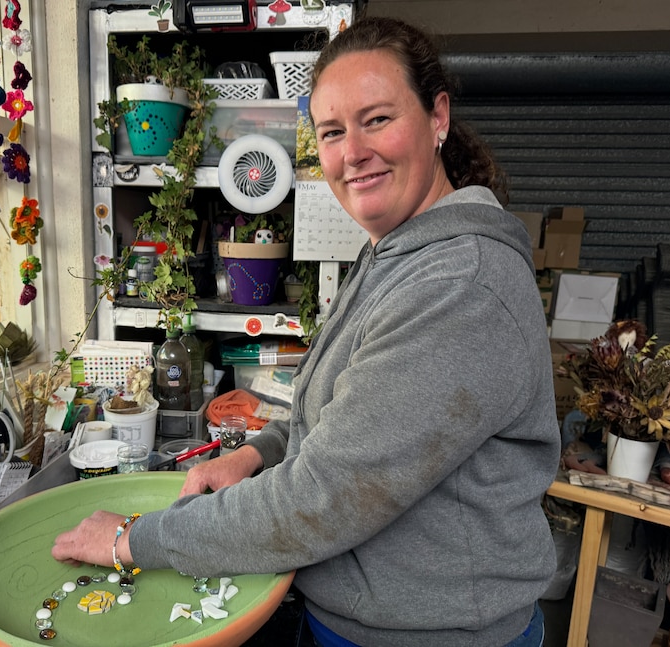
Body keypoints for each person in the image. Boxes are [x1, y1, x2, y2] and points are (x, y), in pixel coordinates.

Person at [53, 16, 560, 646]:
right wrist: (258, 452)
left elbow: (322, 499)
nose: (352, 152)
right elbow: (351, 418)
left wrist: (131, 539)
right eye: (331, 131)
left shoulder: (458, 287)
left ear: (438, 118)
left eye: (377, 119)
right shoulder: (397, 255)